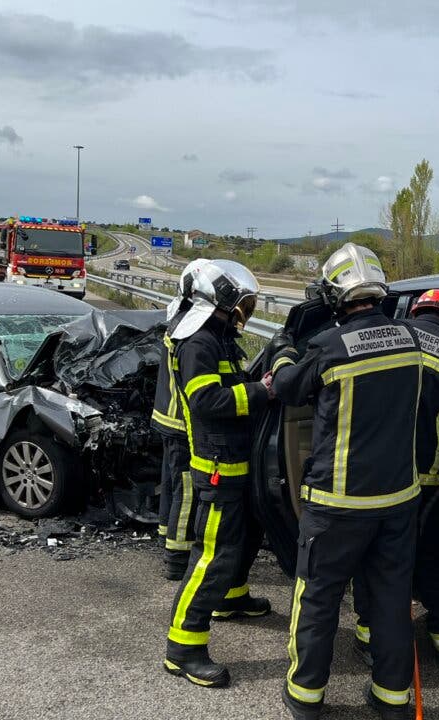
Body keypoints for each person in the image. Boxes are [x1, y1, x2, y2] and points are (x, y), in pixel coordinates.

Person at [272, 243, 423, 720]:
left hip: (337, 503)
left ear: (336, 295)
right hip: (399, 500)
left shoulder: (329, 348)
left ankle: (305, 696)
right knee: (391, 601)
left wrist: (280, 355)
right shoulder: (412, 340)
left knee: (317, 597)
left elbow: (291, 388)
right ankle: (393, 699)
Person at [352, 287, 439, 670]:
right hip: (430, 483)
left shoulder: (388, 338)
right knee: (434, 559)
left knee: (375, 559)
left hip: (381, 477)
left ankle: (371, 636)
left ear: (416, 310)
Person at [163, 260, 273, 689]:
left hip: (235, 463)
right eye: (241, 303)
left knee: (242, 540)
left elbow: (231, 385)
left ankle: (231, 597)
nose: (246, 310)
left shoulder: (220, 339)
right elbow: (207, 400)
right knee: (212, 555)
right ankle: (183, 647)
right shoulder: (198, 343)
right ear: (221, 303)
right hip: (215, 469)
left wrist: (256, 379)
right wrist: (262, 391)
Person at [153, 260, 206, 580]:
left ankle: (166, 535)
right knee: (186, 489)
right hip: (180, 421)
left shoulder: (177, 314)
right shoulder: (191, 326)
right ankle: (177, 557)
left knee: (173, 485)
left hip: (166, 417)